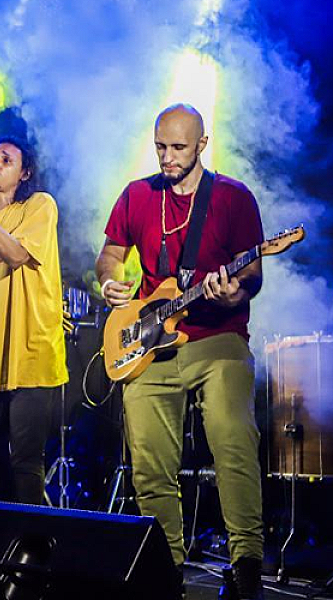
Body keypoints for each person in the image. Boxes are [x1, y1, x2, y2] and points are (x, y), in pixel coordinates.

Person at [96, 104, 264, 599]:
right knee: (149, 461)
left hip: (219, 338)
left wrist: (233, 292)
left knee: (233, 442)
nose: (167, 158)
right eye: (160, 147)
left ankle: (246, 566)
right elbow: (109, 253)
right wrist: (110, 281)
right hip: (152, 343)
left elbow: (251, 275)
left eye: (178, 148)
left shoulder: (233, 198)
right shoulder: (137, 194)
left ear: (202, 144)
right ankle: (164, 566)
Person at [0, 136, 68, 505]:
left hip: (31, 351)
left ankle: (29, 550)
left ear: (25, 173)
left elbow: (18, 255)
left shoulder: (40, 206)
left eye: (6, 159)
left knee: (24, 459)